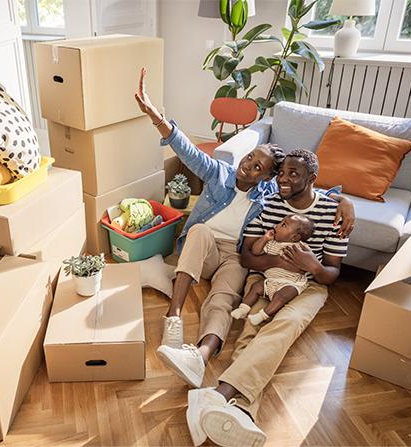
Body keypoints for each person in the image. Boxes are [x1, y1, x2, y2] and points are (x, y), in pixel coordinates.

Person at [134, 67, 355, 389]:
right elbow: (187, 150)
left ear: (266, 177)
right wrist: (155, 116)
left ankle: (200, 356)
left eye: (257, 167)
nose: (247, 165)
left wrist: (345, 200)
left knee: (222, 299)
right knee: (199, 231)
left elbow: (315, 192)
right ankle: (174, 316)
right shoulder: (218, 174)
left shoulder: (269, 194)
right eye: (250, 157)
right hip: (204, 247)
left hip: (235, 257)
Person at [186, 149, 350, 447]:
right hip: (265, 278)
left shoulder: (333, 213)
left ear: (312, 179)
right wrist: (278, 264)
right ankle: (243, 412)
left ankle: (217, 396)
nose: (284, 180)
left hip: (308, 286)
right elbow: (248, 257)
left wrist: (310, 265)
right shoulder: (269, 205)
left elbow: (331, 273)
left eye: (294, 175)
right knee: (251, 330)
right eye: (282, 173)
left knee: (282, 327)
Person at [231, 213, 314, 326]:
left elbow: (309, 264)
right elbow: (255, 252)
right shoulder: (271, 243)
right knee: (256, 287)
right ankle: (243, 309)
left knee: (281, 296)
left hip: (292, 283)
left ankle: (262, 315)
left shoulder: (300, 248)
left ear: (294, 237)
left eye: (283, 225)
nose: (276, 225)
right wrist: (265, 238)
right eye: (280, 222)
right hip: (271, 280)